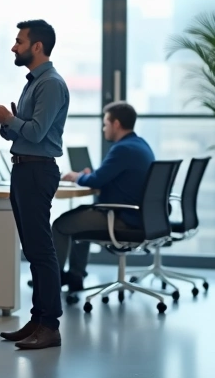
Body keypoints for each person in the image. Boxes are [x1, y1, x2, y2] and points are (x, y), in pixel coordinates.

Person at [0, 19, 68, 350]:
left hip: (37, 171)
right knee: (33, 250)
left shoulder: (51, 84)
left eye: (19, 41)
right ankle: (37, 319)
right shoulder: (34, 83)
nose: (13, 47)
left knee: (41, 250)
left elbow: (35, 133)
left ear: (37, 46)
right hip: (23, 169)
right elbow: (23, 129)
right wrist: (7, 122)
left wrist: (9, 119)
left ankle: (50, 325)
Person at [53, 102, 154, 293]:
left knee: (60, 225)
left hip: (123, 218)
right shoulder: (140, 145)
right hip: (139, 216)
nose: (103, 128)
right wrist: (90, 176)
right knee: (78, 223)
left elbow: (97, 180)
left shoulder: (122, 149)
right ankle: (75, 276)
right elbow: (113, 178)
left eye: (105, 123)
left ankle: (52, 282)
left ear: (116, 124)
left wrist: (77, 176)